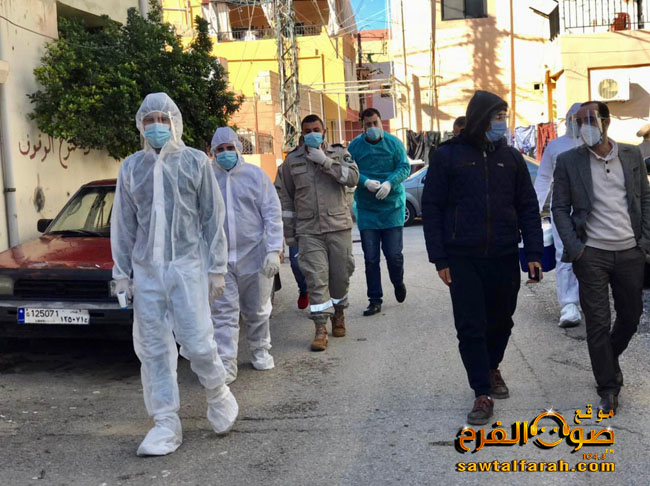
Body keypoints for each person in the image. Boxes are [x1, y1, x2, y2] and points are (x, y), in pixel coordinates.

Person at [111, 93, 237, 456]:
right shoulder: (131, 168)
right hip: (147, 272)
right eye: (149, 120)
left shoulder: (195, 161)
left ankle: (218, 393)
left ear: (175, 123)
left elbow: (212, 217)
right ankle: (165, 423)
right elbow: (123, 223)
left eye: (162, 120)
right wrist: (122, 274)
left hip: (187, 268)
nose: (156, 126)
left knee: (197, 342)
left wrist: (217, 268)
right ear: (140, 125)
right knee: (152, 349)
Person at [422, 90, 543, 425]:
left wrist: (533, 252)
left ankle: (491, 366)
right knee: (471, 325)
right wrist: (440, 258)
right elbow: (431, 208)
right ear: (480, 118)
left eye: (505, 116)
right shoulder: (448, 156)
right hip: (463, 257)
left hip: (504, 254)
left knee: (502, 321)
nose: (502, 123)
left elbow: (527, 207)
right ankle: (481, 391)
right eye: (497, 117)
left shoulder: (512, 158)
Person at [552, 101, 650, 415]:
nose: (584, 127)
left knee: (631, 316)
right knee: (597, 322)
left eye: (590, 120)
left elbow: (645, 198)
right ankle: (608, 387)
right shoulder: (568, 161)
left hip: (630, 251)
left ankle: (608, 358)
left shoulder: (631, 155)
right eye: (578, 121)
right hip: (591, 253)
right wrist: (575, 248)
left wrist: (644, 243)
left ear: (606, 122)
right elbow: (559, 208)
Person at [276, 114, 359, 351]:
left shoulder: (339, 154)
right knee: (315, 279)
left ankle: (339, 313)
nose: (312, 133)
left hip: (338, 226)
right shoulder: (292, 162)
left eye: (316, 129)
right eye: (307, 130)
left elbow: (353, 178)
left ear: (323, 132)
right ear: (302, 134)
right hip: (309, 230)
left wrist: (326, 162)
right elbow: (285, 197)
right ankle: (320, 327)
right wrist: (289, 234)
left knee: (340, 277)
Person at [209, 127, 283, 384]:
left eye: (230, 148)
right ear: (213, 152)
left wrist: (274, 250)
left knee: (258, 309)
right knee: (223, 314)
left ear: (238, 149)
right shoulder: (208, 179)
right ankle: (226, 362)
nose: (225, 153)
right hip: (219, 260)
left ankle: (260, 350)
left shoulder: (255, 176)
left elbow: (272, 213)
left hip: (254, 254)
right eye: (220, 149)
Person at [348, 108, 410, 316]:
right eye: (368, 124)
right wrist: (365, 181)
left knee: (393, 255)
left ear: (381, 122)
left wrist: (390, 183)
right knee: (371, 258)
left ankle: (398, 281)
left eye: (375, 122)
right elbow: (349, 171)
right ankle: (375, 300)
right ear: (362, 126)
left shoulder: (394, 144)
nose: (373, 127)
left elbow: (404, 167)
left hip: (392, 208)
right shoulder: (354, 147)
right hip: (367, 210)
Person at [533, 103, 583, 328]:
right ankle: (569, 304)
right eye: (574, 119)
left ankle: (591, 299)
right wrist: (534, 208)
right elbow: (544, 177)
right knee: (565, 254)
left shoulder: (597, 145)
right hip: (563, 208)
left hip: (594, 208)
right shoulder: (555, 146)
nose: (578, 124)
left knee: (595, 253)